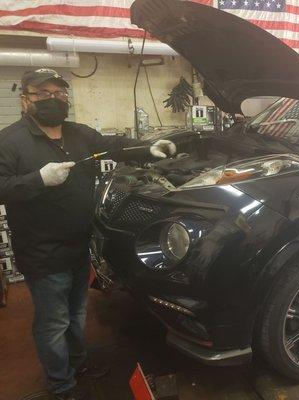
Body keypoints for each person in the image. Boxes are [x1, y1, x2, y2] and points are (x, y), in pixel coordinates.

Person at [0, 68, 177, 400]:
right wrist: (37, 180)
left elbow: (113, 145)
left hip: (79, 247)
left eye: (59, 93)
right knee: (53, 325)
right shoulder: (10, 142)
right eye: (43, 94)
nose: (53, 99)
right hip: (42, 253)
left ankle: (78, 365)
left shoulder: (78, 133)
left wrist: (148, 148)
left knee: (77, 315)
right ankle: (61, 385)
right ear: (25, 100)